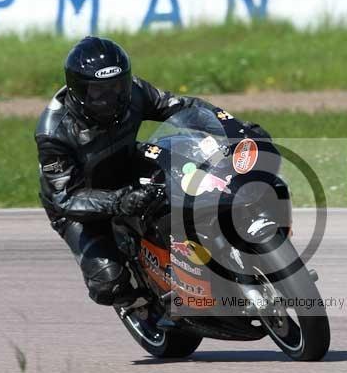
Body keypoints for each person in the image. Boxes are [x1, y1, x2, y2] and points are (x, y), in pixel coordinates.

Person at [35, 36, 269, 309]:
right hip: (79, 203)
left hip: (125, 161)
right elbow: (65, 198)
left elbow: (182, 108)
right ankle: (143, 306)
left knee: (194, 172)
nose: (111, 97)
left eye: (117, 86)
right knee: (109, 284)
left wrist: (236, 130)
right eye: (99, 91)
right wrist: (118, 201)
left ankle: (216, 243)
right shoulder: (53, 131)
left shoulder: (134, 92)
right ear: (78, 90)